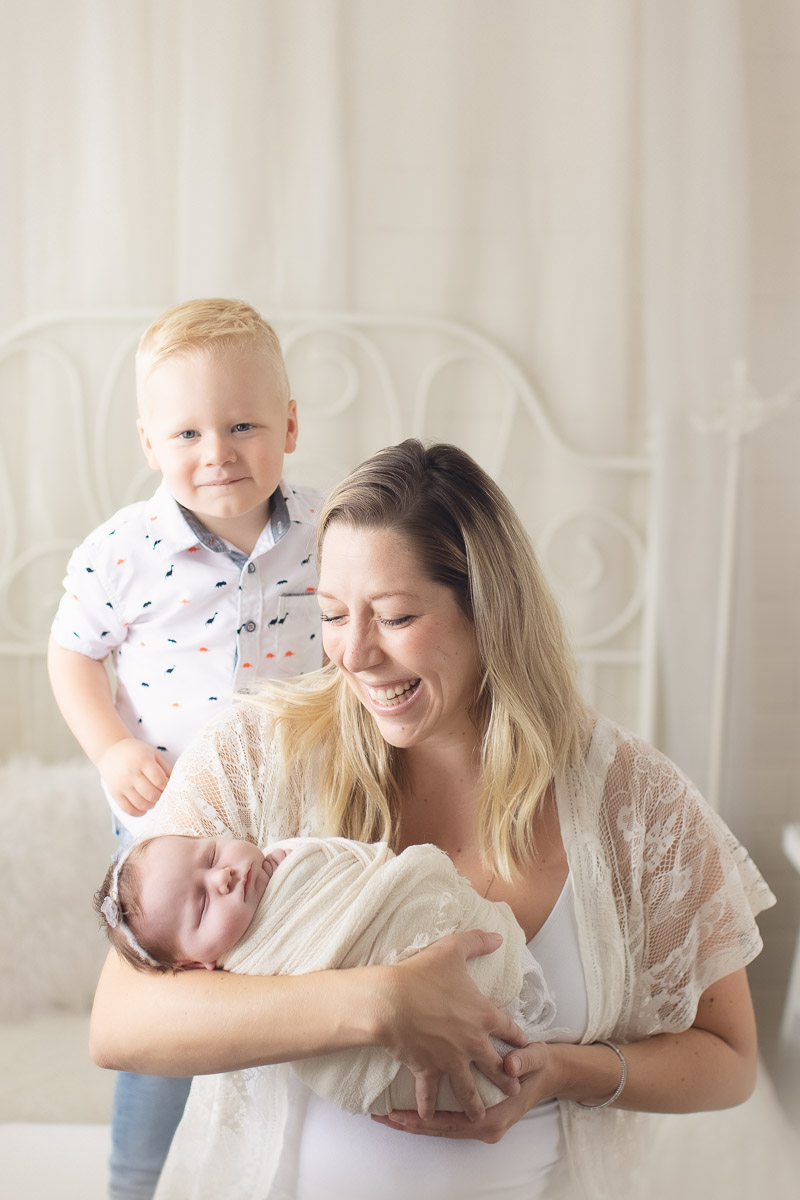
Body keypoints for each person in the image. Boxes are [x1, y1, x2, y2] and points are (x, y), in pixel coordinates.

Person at [90, 440, 775, 1200]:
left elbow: (729, 1059)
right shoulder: (257, 755)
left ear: (490, 610)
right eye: (333, 615)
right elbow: (122, 1023)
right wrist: (380, 1005)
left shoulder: (633, 803)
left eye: (395, 616)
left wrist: (560, 1072)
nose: (353, 653)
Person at [48, 298, 323, 1200]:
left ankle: (286, 1164)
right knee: (169, 1006)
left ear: (288, 423)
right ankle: (138, 1178)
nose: (218, 451)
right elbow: (72, 654)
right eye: (189, 431)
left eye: (244, 423)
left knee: (296, 974)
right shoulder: (124, 550)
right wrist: (107, 748)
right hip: (169, 815)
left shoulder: (332, 530)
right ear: (148, 441)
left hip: (297, 805)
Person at [94, 830, 560, 1117]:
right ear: (198, 966)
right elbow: (110, 1034)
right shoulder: (249, 964)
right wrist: (387, 999)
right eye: (201, 905)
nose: (224, 878)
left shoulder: (283, 859)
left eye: (212, 854)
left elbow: (364, 869)